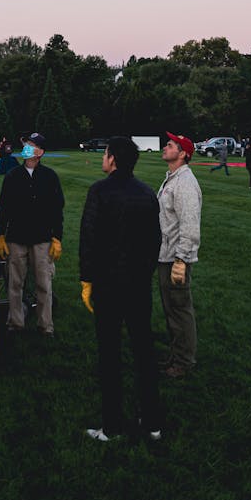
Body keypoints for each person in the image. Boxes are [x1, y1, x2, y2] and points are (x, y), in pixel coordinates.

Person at [80, 136, 162, 443]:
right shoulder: (146, 193)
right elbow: (156, 241)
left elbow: (88, 239)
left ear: (113, 159)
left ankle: (112, 426)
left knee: (110, 355)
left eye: (105, 154)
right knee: (144, 352)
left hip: (108, 285)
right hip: (139, 285)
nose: (103, 158)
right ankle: (153, 421)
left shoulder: (99, 192)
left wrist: (87, 279)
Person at [0, 133, 64, 336]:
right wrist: (0, 235)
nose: (27, 146)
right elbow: (4, 208)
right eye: (27, 143)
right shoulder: (12, 176)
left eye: (32, 145)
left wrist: (57, 237)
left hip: (42, 239)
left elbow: (57, 209)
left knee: (44, 285)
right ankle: (15, 323)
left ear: (40, 152)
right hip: (16, 237)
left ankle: (46, 326)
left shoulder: (50, 177)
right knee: (15, 283)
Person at [157, 133, 202, 379]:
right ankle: (176, 356)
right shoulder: (172, 178)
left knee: (180, 309)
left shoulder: (184, 182)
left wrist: (181, 260)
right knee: (171, 310)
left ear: (183, 154)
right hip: (166, 255)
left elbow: (190, 225)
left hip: (176, 258)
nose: (165, 147)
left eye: (170, 145)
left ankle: (184, 361)